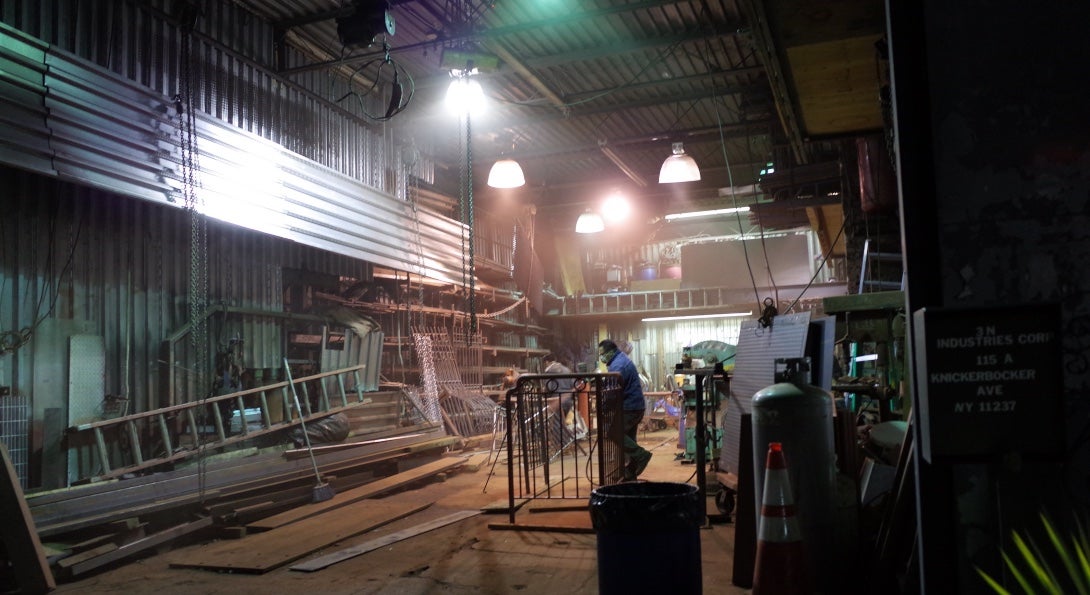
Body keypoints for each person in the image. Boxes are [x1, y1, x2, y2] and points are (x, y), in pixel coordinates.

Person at [598, 339, 652, 481]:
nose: (601, 357)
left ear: (610, 352)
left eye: (602, 354)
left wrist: (603, 408)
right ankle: (629, 474)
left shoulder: (618, 365)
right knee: (630, 440)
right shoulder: (620, 360)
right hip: (635, 406)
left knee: (614, 433)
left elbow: (612, 392)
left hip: (630, 407)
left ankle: (642, 455)